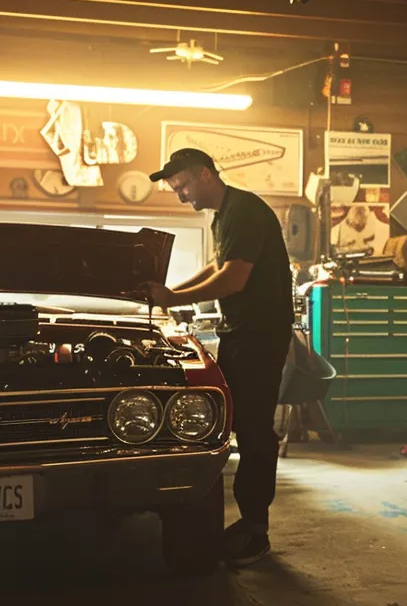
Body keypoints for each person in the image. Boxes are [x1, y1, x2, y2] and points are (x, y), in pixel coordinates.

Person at [143, 148, 294, 567]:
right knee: (234, 423)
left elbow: (233, 278)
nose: (180, 196)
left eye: (183, 186)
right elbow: (216, 265)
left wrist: (174, 297)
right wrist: (170, 291)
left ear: (206, 175)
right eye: (176, 190)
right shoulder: (226, 214)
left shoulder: (244, 210)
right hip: (243, 333)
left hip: (260, 335)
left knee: (253, 428)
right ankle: (246, 523)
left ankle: (255, 530)